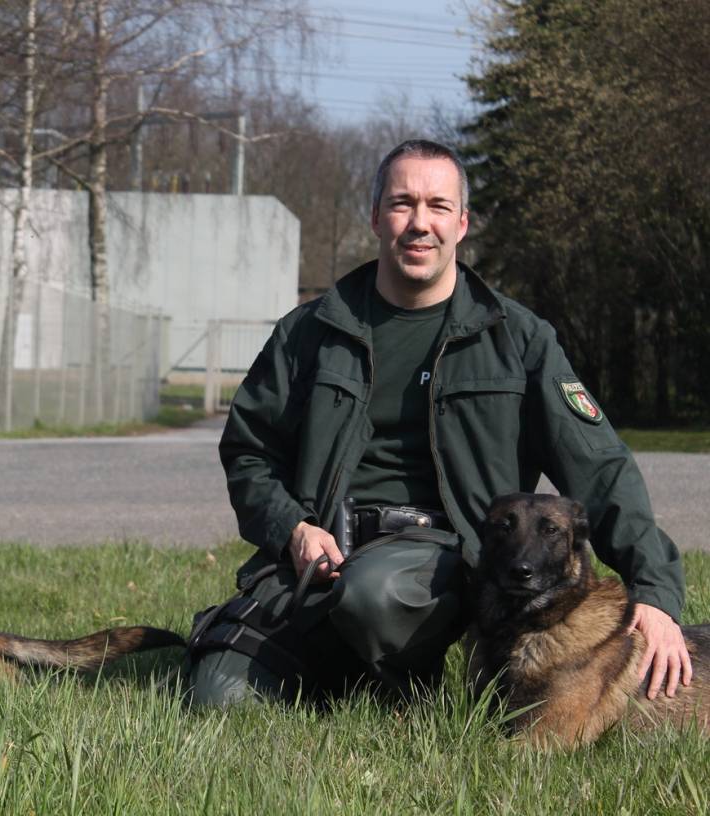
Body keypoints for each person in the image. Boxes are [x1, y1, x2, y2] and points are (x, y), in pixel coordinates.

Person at [186, 139, 691, 706]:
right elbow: (249, 450)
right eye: (402, 203)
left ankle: (408, 687)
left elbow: (600, 466)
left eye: (438, 206)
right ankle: (345, 671)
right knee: (218, 697)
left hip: (442, 559)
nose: (419, 223)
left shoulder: (517, 339)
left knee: (372, 595)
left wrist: (654, 592)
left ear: (462, 222)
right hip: (321, 555)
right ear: (376, 216)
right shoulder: (310, 332)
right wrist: (293, 529)